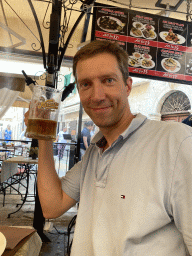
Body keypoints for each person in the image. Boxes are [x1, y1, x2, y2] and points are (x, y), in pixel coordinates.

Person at [24, 40, 192, 255]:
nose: (97, 95)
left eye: (108, 80)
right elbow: (52, 206)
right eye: (86, 84)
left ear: (128, 86)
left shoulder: (176, 142)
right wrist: (45, 139)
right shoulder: (95, 151)